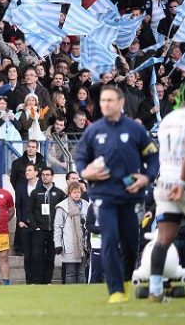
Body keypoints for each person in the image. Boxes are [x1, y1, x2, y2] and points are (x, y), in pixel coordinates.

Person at [75, 85, 159, 303]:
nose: (106, 104)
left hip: (131, 196)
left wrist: (146, 177)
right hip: (104, 196)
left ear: (121, 103)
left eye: (110, 100)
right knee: (110, 240)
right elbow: (81, 158)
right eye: (103, 101)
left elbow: (152, 158)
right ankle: (116, 290)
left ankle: (127, 281)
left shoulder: (136, 130)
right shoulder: (93, 131)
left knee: (131, 244)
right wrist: (85, 171)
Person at [145, 81, 185, 302]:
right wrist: (183, 183)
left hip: (164, 184)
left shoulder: (168, 119)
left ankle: (154, 288)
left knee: (163, 238)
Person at [28, 166, 67, 284]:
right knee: (37, 256)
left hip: (54, 231)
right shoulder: (35, 192)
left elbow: (63, 212)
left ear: (52, 176)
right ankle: (37, 281)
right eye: (43, 175)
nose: (45, 177)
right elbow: (29, 211)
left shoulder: (59, 193)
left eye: (47, 175)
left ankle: (47, 281)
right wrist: (35, 227)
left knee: (51, 257)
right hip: (39, 230)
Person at [53, 181, 89, 284]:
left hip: (84, 245)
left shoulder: (86, 205)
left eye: (78, 192)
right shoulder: (62, 206)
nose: (77, 194)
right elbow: (58, 227)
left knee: (82, 272)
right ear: (69, 193)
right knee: (70, 273)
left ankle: (82, 293)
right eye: (74, 192)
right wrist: (58, 244)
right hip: (69, 244)